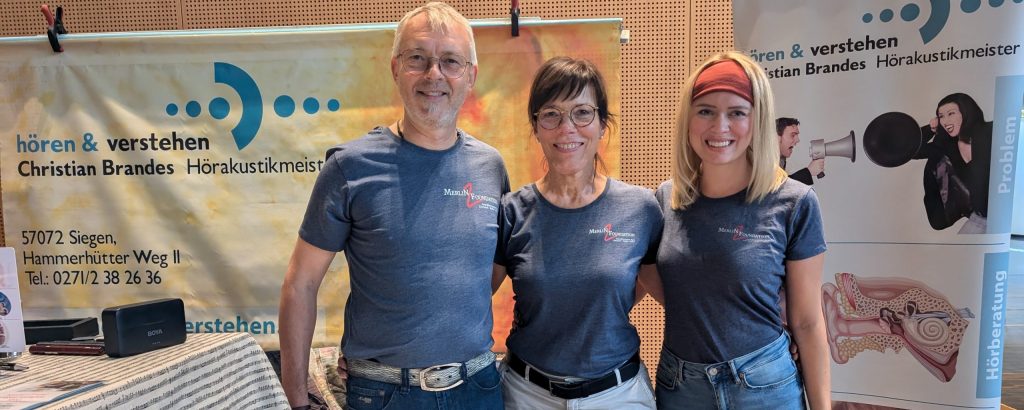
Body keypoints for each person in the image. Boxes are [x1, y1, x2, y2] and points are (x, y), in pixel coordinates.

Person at [278, 3, 508, 409]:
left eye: (450, 61)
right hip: (383, 394)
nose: (434, 74)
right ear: (395, 68)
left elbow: (490, 268)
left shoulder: (490, 167)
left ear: (470, 76)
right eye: (418, 58)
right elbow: (300, 284)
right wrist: (296, 400)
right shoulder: (349, 167)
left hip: (478, 389)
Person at [647, 51, 830, 409]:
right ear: (688, 120)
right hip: (681, 388)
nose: (720, 127)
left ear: (757, 121)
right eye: (705, 111)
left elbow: (808, 322)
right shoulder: (664, 201)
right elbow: (654, 281)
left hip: (765, 386)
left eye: (737, 113)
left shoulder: (795, 202)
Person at [492, 56, 663, 409]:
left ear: (602, 124)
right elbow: (471, 298)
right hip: (527, 395)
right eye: (551, 114)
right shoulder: (512, 211)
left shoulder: (641, 208)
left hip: (618, 395)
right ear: (536, 127)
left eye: (582, 112)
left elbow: (670, 294)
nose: (567, 128)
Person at [914, 93, 992, 233]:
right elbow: (912, 150)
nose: (945, 121)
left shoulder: (989, 131)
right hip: (979, 217)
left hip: (1000, 213)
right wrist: (929, 129)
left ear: (966, 112)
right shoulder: (947, 144)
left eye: (951, 113)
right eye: (941, 116)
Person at [776, 117, 823, 186]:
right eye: (792, 135)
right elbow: (778, 188)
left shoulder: (781, 159)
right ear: (777, 137)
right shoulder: (764, 162)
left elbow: (782, 182)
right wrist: (808, 172)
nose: (797, 140)